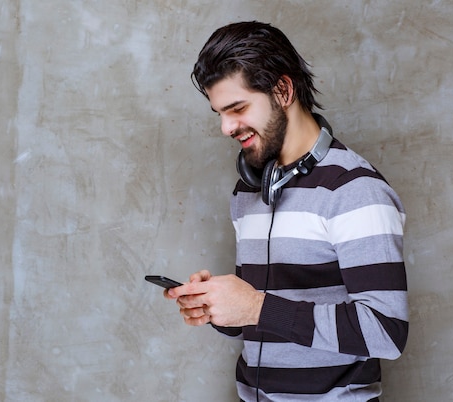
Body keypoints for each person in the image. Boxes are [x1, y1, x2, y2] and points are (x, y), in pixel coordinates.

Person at [166, 21, 408, 402]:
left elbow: (386, 331)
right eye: (219, 113)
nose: (226, 127)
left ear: (283, 90)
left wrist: (256, 306)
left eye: (237, 108)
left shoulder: (355, 192)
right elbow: (264, 314)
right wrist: (219, 306)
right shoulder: (249, 189)